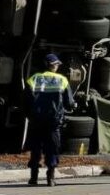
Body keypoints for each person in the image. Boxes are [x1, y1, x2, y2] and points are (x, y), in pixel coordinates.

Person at [25, 53, 75, 187]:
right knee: (52, 149)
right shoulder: (62, 80)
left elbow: (26, 100)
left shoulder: (34, 79)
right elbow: (69, 103)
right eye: (57, 64)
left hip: (36, 120)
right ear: (54, 66)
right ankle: (50, 178)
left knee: (36, 148)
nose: (58, 66)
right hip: (54, 121)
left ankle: (33, 177)